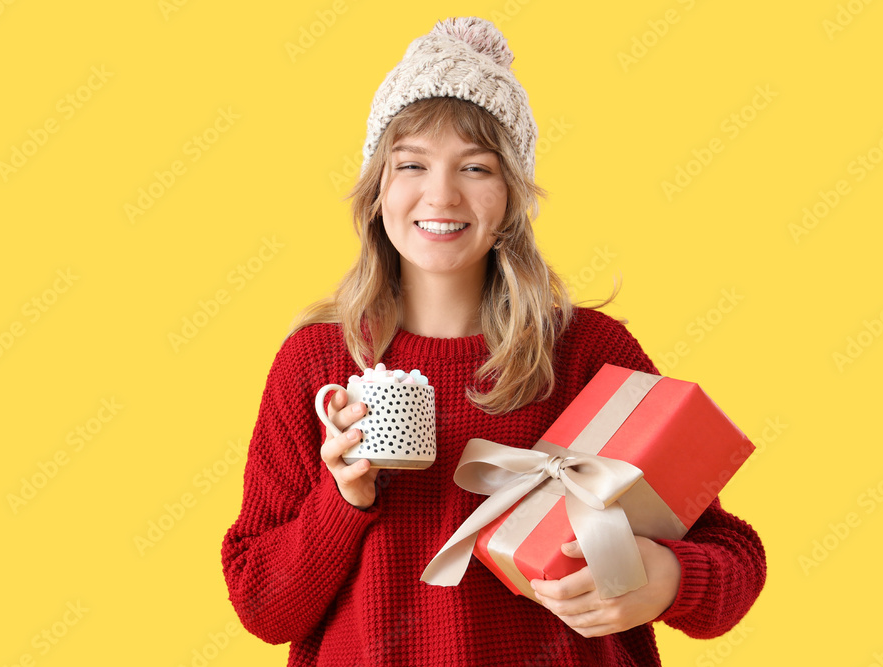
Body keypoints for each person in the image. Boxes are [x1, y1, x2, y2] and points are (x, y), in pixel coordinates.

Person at [221, 16, 765, 666]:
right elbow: (262, 604)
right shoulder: (316, 364)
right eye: (411, 164)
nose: (441, 193)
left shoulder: (589, 353)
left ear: (510, 194)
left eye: (474, 166)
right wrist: (343, 498)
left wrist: (662, 580)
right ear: (377, 190)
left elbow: (735, 560)